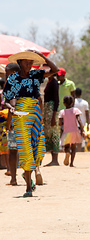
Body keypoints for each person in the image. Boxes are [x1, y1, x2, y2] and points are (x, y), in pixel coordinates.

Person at [3, 50, 58, 197]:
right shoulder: (13, 78)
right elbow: (6, 100)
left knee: (38, 147)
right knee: (25, 147)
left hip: (35, 113)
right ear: (20, 62)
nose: (30, 64)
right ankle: (28, 187)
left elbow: (55, 70)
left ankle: (29, 176)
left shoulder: (36, 74)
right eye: (27, 62)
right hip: (20, 113)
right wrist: (12, 108)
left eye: (32, 62)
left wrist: (44, 57)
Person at [59, 96, 84, 167]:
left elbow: (60, 123)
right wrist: (83, 130)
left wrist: (65, 122)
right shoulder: (76, 110)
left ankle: (67, 153)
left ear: (64, 103)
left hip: (66, 132)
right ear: (72, 103)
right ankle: (71, 163)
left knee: (66, 147)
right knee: (73, 148)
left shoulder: (62, 112)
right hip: (74, 131)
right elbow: (79, 120)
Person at [43, 72, 60, 166]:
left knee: (54, 134)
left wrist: (54, 116)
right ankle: (52, 159)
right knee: (49, 133)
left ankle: (55, 159)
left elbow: (56, 99)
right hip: (47, 110)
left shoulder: (54, 83)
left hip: (51, 110)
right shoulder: (49, 82)